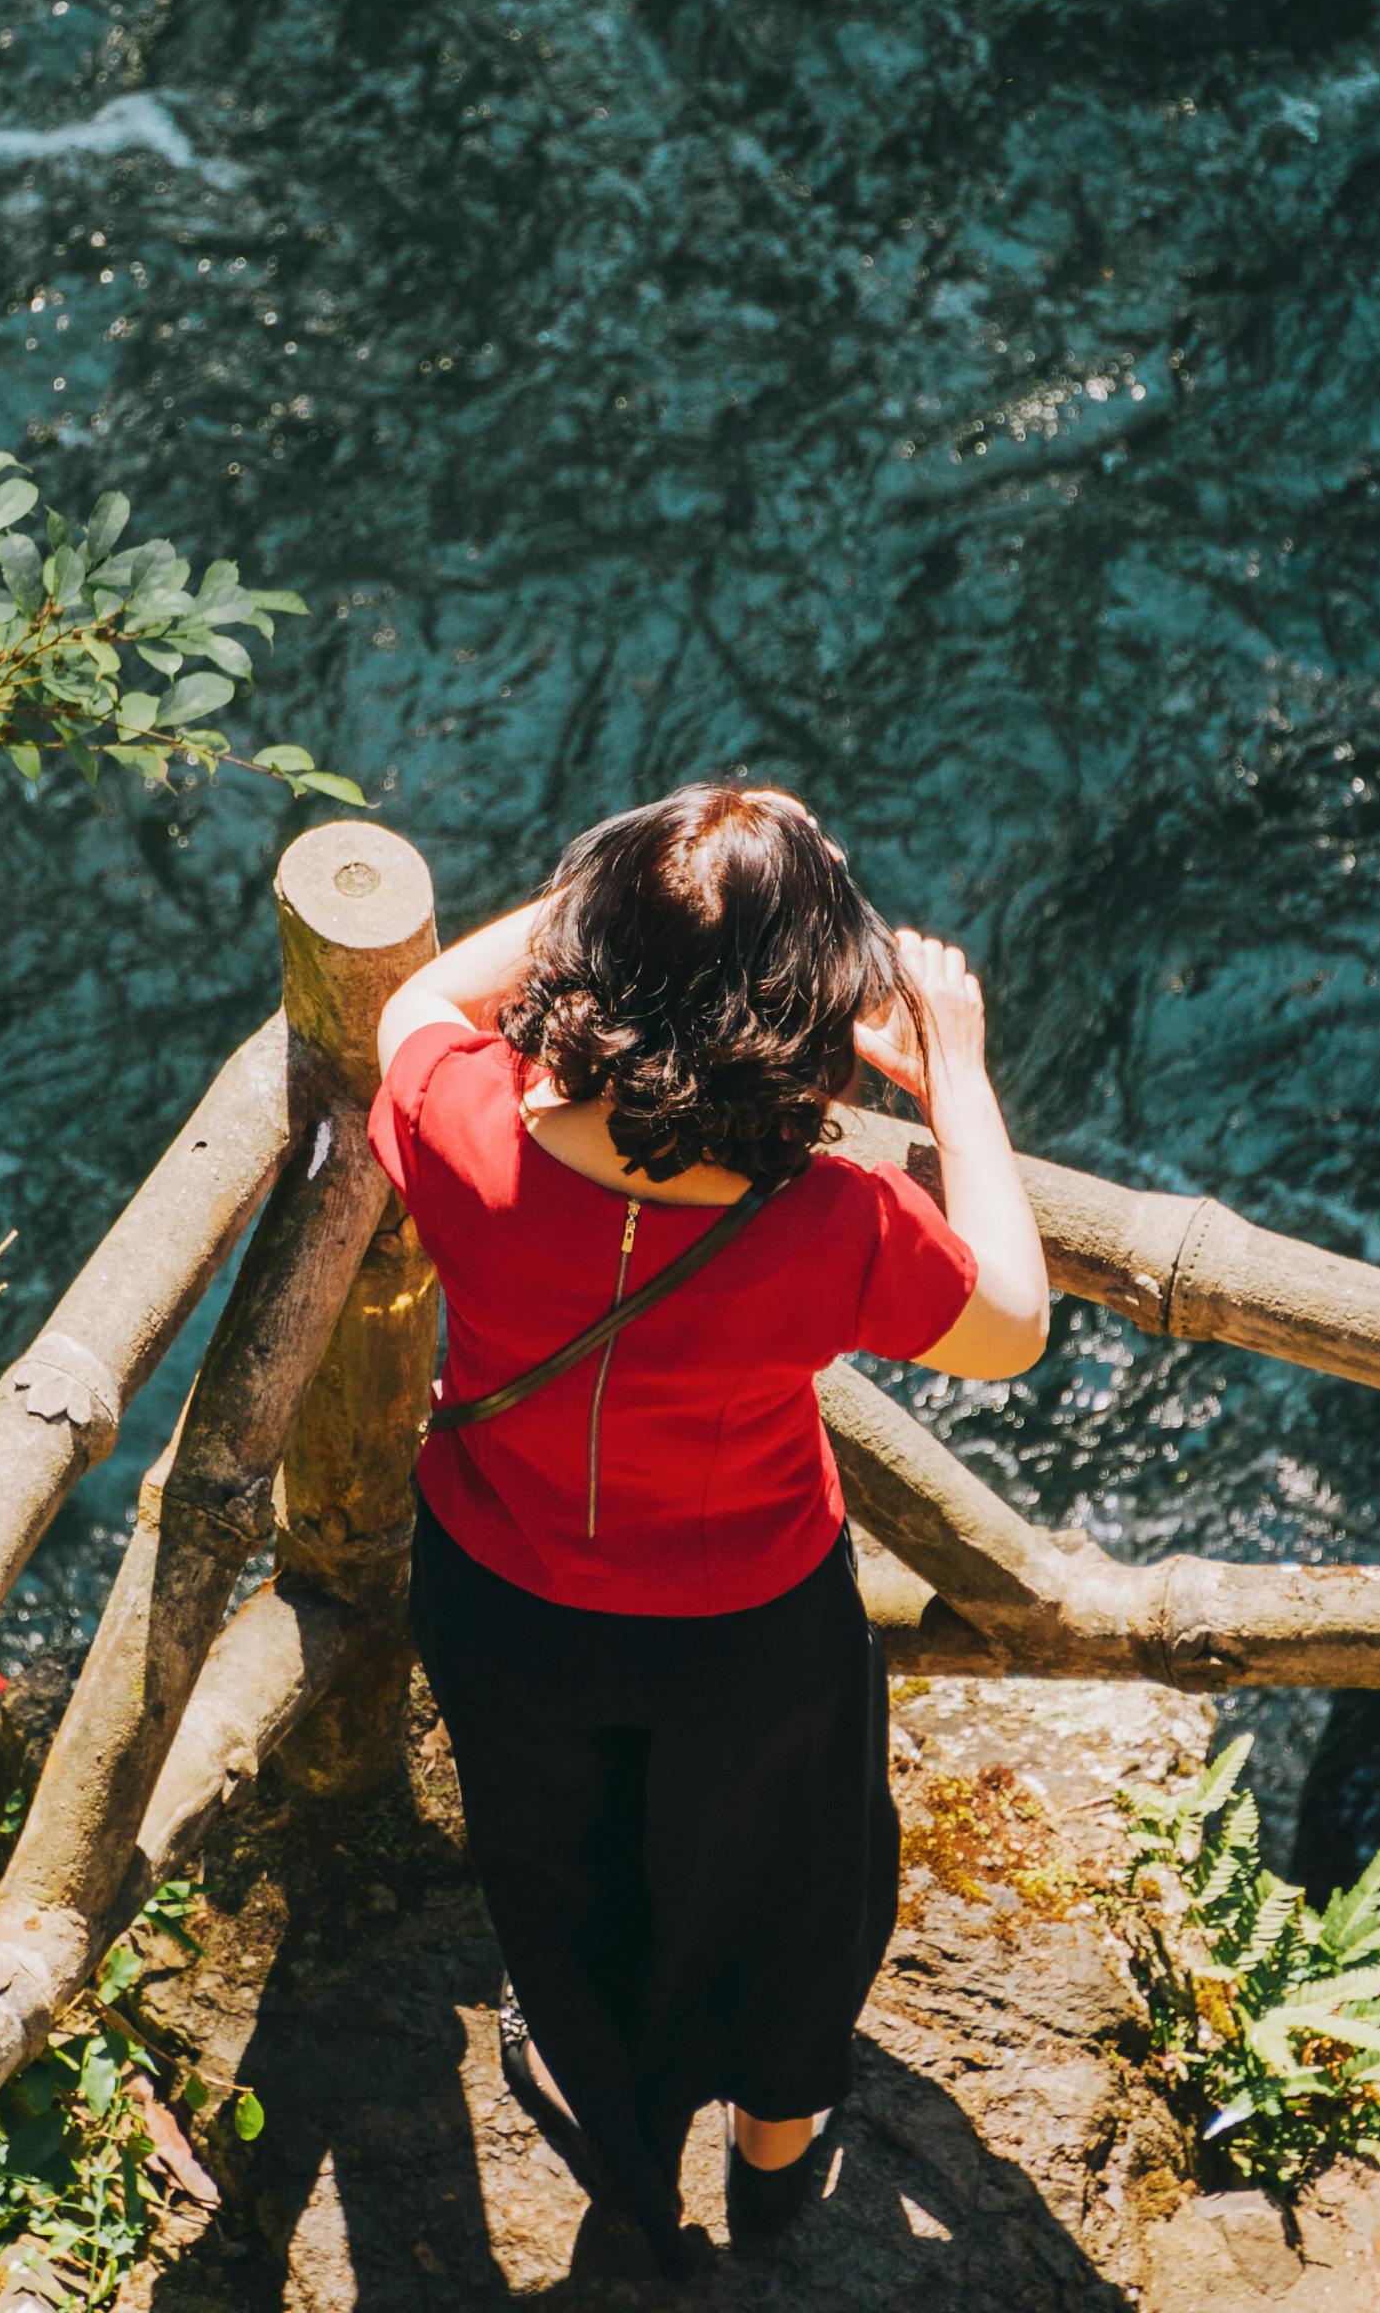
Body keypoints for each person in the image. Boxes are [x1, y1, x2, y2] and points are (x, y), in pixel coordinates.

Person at [368, 780, 1048, 2272]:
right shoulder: (832, 1225)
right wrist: (960, 1083)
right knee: (787, 1886)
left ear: (588, 963)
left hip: (504, 1597)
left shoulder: (458, 1129)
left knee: (560, 1883)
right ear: (799, 1010)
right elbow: (1010, 1324)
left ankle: (625, 2154)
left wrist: (650, 909)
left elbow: (417, 992)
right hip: (750, 1628)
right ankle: (773, 2161)